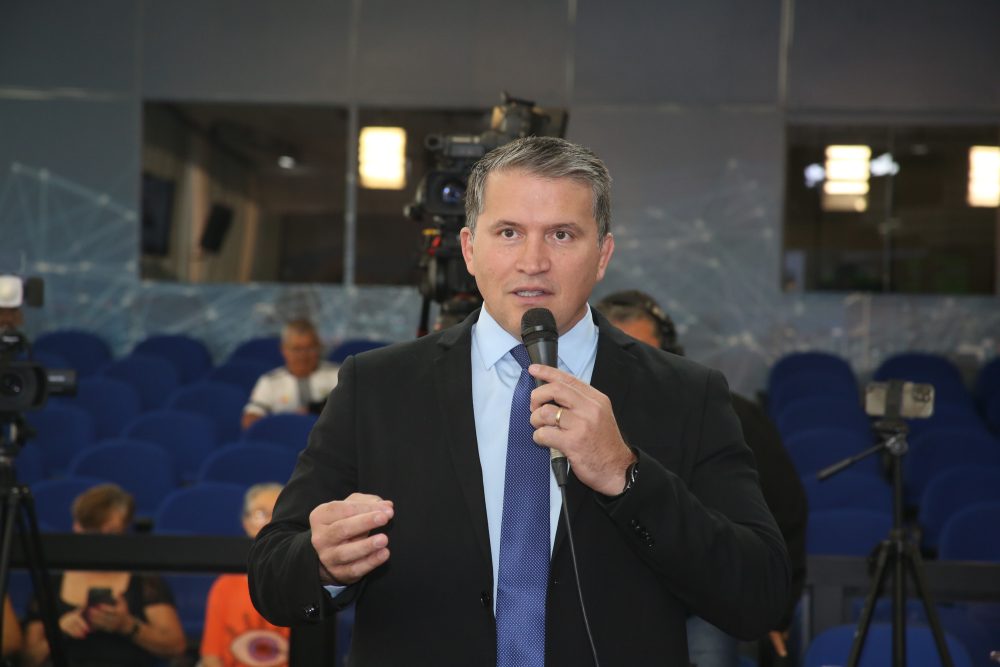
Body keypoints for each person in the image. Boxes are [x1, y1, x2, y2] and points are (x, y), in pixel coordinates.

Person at [248, 136, 790, 666]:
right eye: (509, 232)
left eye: (561, 234)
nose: (534, 261)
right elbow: (272, 574)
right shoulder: (377, 386)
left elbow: (760, 594)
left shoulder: (687, 394)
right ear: (469, 249)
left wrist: (626, 475)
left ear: (603, 255)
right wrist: (322, 564)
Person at [596, 289, 808, 666]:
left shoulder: (726, 411)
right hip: (606, 603)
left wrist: (780, 609)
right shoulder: (565, 417)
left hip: (700, 607)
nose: (630, 364)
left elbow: (784, 512)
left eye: (641, 350)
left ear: (670, 352)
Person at [21, 483, 186, 667]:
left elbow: (175, 646)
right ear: (77, 527)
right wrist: (58, 633)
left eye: (112, 533)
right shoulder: (50, 584)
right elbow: (27, 659)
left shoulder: (144, 581)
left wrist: (128, 626)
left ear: (125, 530)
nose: (101, 540)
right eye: (95, 530)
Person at [200, 483, 290, 667]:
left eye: (278, 513)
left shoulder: (301, 582)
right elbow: (211, 657)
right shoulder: (224, 586)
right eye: (260, 514)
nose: (269, 522)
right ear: (246, 523)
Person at [241, 319, 340, 430]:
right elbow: (250, 420)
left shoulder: (339, 374)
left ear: (319, 347)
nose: (303, 356)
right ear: (284, 350)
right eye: (297, 349)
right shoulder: (269, 382)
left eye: (310, 348)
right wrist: (285, 424)